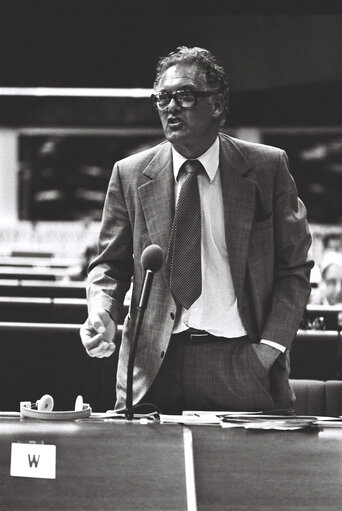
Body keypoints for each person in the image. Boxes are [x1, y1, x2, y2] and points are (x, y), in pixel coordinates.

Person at [80, 46, 313, 414]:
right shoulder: (129, 173)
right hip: (153, 364)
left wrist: (268, 349)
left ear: (217, 105)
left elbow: (294, 270)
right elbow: (108, 267)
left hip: (239, 361)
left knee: (244, 472)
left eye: (185, 95)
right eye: (162, 98)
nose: (171, 107)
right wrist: (102, 312)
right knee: (144, 472)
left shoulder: (267, 168)